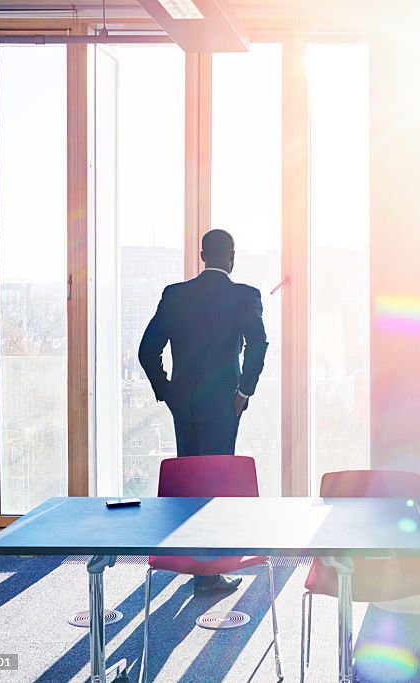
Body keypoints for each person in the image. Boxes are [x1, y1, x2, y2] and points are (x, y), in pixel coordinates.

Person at [138, 229, 268, 595]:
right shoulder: (244, 296)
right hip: (225, 404)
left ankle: (197, 567)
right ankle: (208, 574)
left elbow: (147, 351)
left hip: (185, 403)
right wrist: (245, 391)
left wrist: (168, 391)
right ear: (231, 258)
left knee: (191, 481)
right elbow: (258, 344)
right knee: (216, 484)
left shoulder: (175, 295)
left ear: (201, 255)